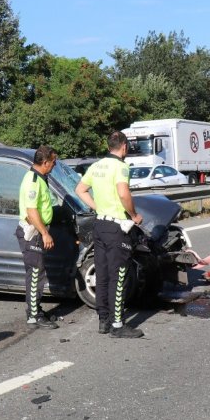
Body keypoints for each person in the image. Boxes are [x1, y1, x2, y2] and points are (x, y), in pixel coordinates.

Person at [75, 131, 144, 339]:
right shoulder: (121, 167)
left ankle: (103, 320)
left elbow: (80, 189)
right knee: (118, 275)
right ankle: (117, 324)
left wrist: (98, 208)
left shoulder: (96, 166)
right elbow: (123, 193)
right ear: (124, 147)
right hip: (117, 229)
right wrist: (133, 215)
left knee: (102, 275)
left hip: (100, 225)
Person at [16, 145, 59, 329]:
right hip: (33, 232)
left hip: (36, 230)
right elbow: (32, 212)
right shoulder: (33, 180)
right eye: (53, 162)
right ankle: (34, 316)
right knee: (35, 274)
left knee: (36, 272)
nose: (54, 165)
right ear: (45, 162)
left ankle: (35, 310)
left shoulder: (40, 178)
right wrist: (45, 233)